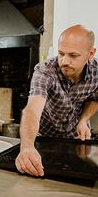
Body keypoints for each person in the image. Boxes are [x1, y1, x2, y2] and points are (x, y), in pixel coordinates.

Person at [16, 24, 98, 176]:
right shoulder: (45, 71)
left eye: (73, 55)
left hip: (77, 140)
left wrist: (83, 119)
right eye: (61, 54)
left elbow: (95, 98)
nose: (64, 61)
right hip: (44, 138)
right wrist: (26, 147)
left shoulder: (97, 72)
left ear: (91, 53)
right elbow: (32, 108)